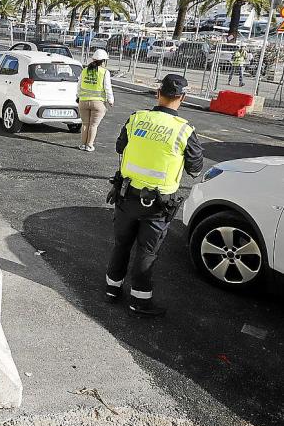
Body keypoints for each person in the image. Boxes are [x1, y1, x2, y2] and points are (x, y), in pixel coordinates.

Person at [105, 74, 204, 317]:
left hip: (126, 196)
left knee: (121, 244)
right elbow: (195, 168)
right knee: (146, 252)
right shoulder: (184, 130)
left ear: (158, 93)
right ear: (182, 98)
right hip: (157, 205)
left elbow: (119, 147)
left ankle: (112, 289)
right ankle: (139, 301)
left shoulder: (136, 118)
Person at [77, 49, 114, 152]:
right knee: (93, 125)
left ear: (93, 59)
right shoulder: (104, 72)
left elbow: (79, 85)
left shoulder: (85, 70)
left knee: (85, 124)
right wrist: (110, 100)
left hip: (83, 101)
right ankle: (89, 145)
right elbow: (107, 87)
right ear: (104, 61)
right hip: (98, 103)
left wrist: (78, 96)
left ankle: (83, 145)